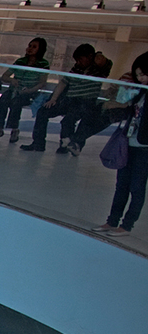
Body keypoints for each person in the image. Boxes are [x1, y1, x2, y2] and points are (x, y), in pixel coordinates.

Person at [94, 51, 148, 236]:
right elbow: (126, 106)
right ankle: (112, 221)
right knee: (122, 185)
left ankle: (127, 225)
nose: (140, 78)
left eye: (143, 74)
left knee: (137, 187)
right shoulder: (139, 92)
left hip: (144, 148)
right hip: (130, 142)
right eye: (138, 74)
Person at [22, 44, 111, 154]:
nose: (78, 62)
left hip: (86, 101)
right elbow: (63, 83)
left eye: (81, 59)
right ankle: (38, 143)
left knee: (69, 119)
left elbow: (101, 60)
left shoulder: (100, 69)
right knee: (43, 112)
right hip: (69, 99)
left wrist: (96, 55)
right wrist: (53, 99)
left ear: (89, 57)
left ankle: (67, 145)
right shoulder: (76, 68)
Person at [0, 38, 49, 143]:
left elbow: (42, 82)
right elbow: (5, 76)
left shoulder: (43, 64)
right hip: (14, 90)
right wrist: (12, 80)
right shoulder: (20, 61)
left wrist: (30, 90)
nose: (30, 49)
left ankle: (14, 128)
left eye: (34, 47)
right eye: (29, 46)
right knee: (2, 101)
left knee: (16, 103)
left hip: (29, 92)